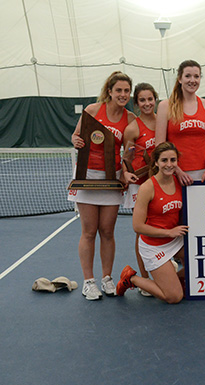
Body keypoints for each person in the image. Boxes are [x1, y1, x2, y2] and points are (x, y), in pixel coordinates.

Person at [69, 71, 136, 300]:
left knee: (107, 231)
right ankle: (89, 282)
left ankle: (107, 278)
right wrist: (75, 140)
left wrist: (125, 175)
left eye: (127, 91)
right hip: (87, 176)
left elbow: (127, 154)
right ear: (109, 91)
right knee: (88, 232)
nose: (123, 94)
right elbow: (76, 136)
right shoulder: (93, 110)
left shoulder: (130, 119)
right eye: (119, 90)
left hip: (112, 179)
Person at [116, 142, 187, 304]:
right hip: (154, 246)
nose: (169, 165)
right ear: (156, 162)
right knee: (174, 297)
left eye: (173, 160)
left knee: (204, 259)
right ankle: (131, 278)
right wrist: (168, 232)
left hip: (175, 241)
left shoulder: (179, 182)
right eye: (164, 160)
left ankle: (170, 280)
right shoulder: (147, 188)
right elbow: (138, 226)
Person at [121, 82, 158, 297]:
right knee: (142, 230)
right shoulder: (133, 128)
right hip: (140, 186)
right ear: (136, 103)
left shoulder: (162, 122)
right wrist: (127, 173)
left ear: (155, 99)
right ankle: (144, 279)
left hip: (160, 184)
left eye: (150, 99)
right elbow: (127, 158)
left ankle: (161, 269)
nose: (146, 103)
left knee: (161, 224)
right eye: (142, 100)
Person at [155, 60, 205, 185]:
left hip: (202, 173)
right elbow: (160, 144)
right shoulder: (165, 106)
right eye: (187, 76)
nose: (192, 80)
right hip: (174, 173)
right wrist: (176, 170)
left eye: (196, 76)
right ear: (180, 79)